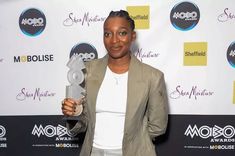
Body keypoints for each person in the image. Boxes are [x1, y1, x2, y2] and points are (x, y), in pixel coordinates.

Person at [61, 10, 168, 156]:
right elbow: (82, 122)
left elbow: (158, 126)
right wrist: (75, 113)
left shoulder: (152, 77)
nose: (114, 40)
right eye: (108, 34)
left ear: (133, 36)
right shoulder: (88, 71)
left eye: (122, 33)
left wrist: (135, 141)